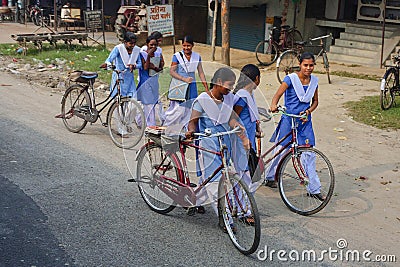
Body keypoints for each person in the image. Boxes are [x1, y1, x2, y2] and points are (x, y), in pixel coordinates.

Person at [185, 67, 250, 220]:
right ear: (219, 82)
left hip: (224, 142)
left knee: (215, 176)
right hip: (209, 144)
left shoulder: (229, 98)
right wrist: (191, 131)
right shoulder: (202, 100)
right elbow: (192, 122)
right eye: (229, 85)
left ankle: (193, 200)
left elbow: (230, 118)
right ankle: (225, 218)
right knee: (214, 181)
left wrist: (237, 126)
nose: (231, 89)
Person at [265, 52, 324, 201]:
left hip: (304, 122)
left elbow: (315, 101)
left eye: (311, 65)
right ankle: (271, 176)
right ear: (299, 64)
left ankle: (314, 188)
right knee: (281, 150)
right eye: (305, 65)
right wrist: (273, 105)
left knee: (308, 153)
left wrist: (308, 111)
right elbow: (277, 95)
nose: (308, 68)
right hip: (289, 119)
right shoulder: (290, 79)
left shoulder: (314, 82)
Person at [164, 35, 209, 130]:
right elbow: (172, 71)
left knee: (190, 108)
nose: (186, 48)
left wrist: (206, 87)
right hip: (179, 85)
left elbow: (201, 72)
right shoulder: (177, 56)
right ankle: (168, 128)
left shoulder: (197, 56)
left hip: (192, 86)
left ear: (192, 45)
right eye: (184, 46)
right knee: (177, 109)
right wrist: (183, 79)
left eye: (188, 46)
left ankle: (185, 130)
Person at [233, 64, 263, 194]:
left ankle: (244, 206)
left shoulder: (249, 94)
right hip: (242, 141)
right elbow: (234, 119)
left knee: (249, 173)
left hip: (249, 140)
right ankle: (243, 208)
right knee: (244, 175)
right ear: (256, 78)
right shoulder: (242, 96)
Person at [100, 32, 141, 98]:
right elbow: (109, 60)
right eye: (130, 43)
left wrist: (134, 66)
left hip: (129, 78)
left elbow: (140, 64)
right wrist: (107, 65)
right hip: (119, 76)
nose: (133, 45)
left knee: (132, 99)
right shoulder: (118, 48)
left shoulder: (136, 50)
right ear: (125, 42)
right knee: (118, 99)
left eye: (134, 43)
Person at [137, 35, 165, 126]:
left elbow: (161, 67)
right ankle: (151, 125)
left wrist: (156, 67)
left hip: (154, 81)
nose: (153, 47)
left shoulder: (158, 54)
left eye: (155, 45)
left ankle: (140, 121)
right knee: (148, 104)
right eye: (151, 45)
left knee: (151, 103)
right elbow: (145, 67)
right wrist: (149, 56)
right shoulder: (142, 54)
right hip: (145, 81)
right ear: (147, 44)